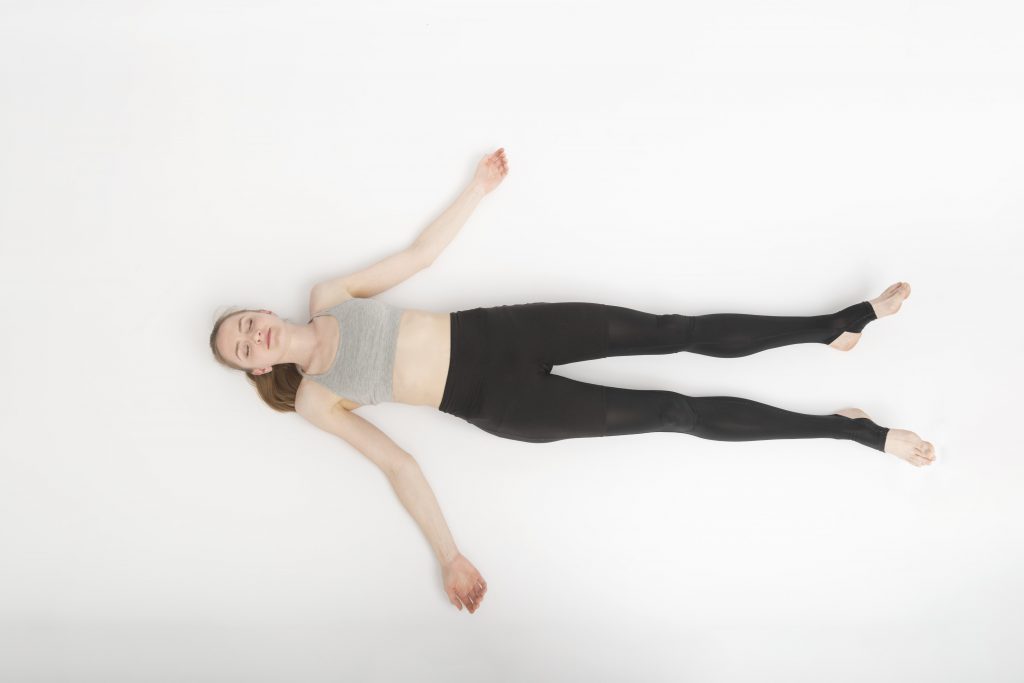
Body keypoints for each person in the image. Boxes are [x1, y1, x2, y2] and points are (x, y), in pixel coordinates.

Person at [210, 147, 936, 615]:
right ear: (256, 367)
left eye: (243, 323)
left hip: (505, 331)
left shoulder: (328, 294)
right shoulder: (311, 397)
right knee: (677, 413)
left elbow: (419, 257)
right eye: (243, 349)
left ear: (259, 311)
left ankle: (836, 323)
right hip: (502, 401)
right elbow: (397, 462)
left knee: (672, 329)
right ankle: (851, 429)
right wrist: (449, 553)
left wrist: (477, 191)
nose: (252, 336)